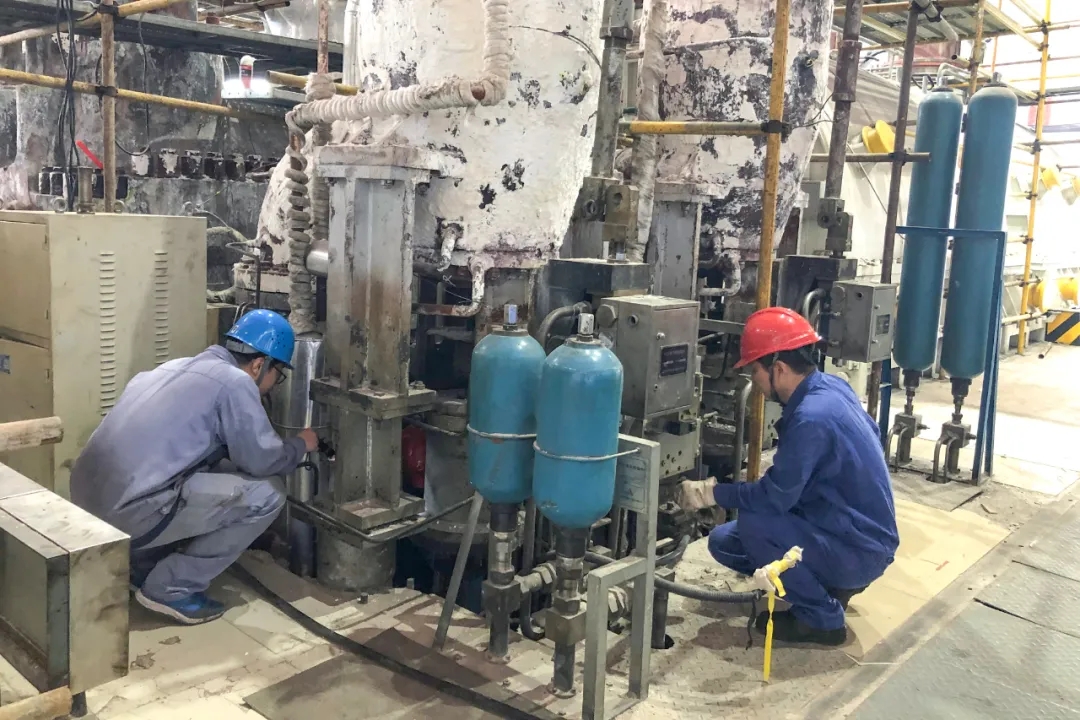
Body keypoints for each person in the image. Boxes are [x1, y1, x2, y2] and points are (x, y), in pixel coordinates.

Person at [70, 309, 319, 625]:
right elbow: (262, 461)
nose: (274, 384)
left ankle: (141, 564)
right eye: (277, 375)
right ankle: (172, 587)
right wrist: (300, 445)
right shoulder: (236, 383)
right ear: (259, 365)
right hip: (124, 515)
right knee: (269, 494)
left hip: (84, 502)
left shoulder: (173, 367)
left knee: (205, 471)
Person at [677, 307, 899, 646]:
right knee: (724, 542)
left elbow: (773, 498)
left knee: (755, 524)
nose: (755, 382)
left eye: (755, 371)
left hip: (859, 550)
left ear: (778, 368)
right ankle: (824, 584)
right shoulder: (831, 388)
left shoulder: (811, 418)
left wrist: (711, 493)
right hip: (848, 531)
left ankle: (823, 620)